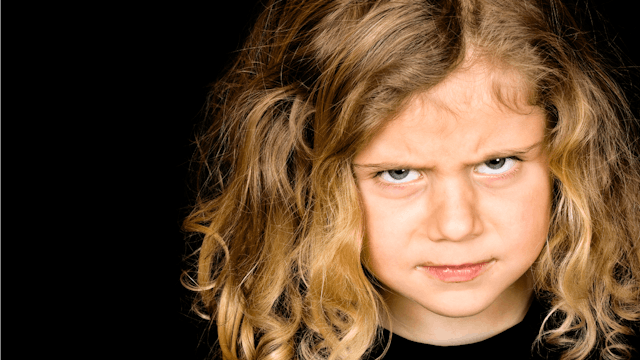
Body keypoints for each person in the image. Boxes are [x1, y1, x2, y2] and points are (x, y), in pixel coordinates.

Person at [180, 0, 640, 359]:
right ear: (306, 176)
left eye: (497, 163)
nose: (457, 226)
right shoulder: (249, 345)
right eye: (399, 173)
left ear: (568, 153)